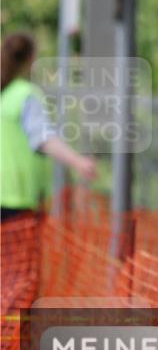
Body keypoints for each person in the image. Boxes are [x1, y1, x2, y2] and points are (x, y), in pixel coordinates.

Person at [1, 32, 97, 221]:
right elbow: (42, 137)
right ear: (31, 59)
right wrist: (78, 161)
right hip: (18, 199)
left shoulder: (5, 94)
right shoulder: (26, 94)